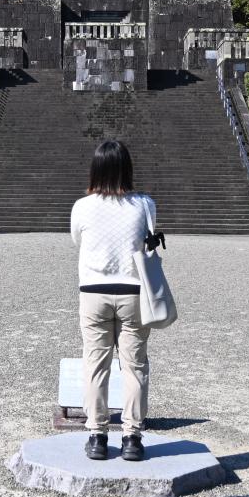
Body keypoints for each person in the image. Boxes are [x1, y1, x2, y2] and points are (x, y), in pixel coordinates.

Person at [69, 139, 156, 462]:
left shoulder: (82, 206)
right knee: (135, 366)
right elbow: (148, 236)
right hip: (134, 292)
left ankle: (97, 436)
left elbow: (78, 240)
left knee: (95, 364)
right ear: (127, 169)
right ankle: (132, 437)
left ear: (95, 169)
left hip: (94, 291)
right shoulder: (145, 204)